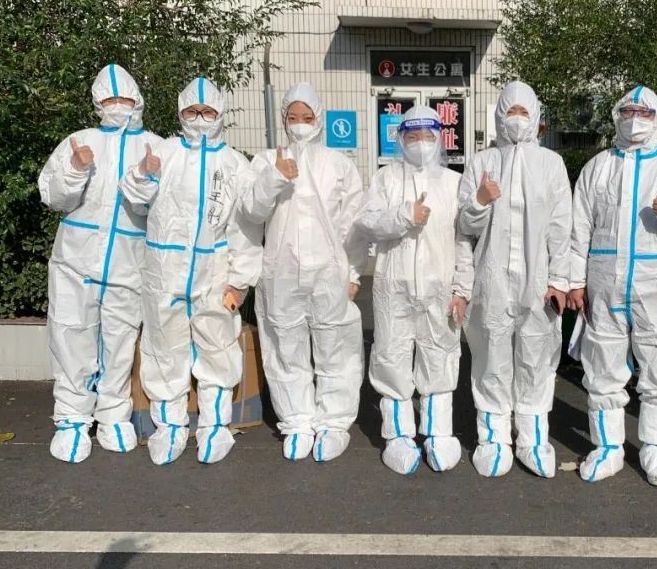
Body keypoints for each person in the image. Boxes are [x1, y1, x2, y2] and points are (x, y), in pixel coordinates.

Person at [567, 85, 657, 485]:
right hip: (604, 283)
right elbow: (578, 229)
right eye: (628, 112)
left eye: (645, 113)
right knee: (602, 366)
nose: (635, 120)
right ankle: (607, 447)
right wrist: (575, 280)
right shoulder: (598, 167)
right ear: (617, 116)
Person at [119, 76, 261, 465]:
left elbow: (247, 228)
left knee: (217, 345)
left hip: (214, 271)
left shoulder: (235, 164)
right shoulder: (162, 152)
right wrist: (144, 173)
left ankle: (215, 426)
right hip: (164, 270)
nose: (199, 118)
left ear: (220, 113)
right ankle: (169, 426)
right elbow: (134, 198)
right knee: (164, 346)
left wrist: (239, 281)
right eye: (192, 111)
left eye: (207, 111)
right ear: (181, 113)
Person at [38, 64, 163, 463]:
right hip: (76, 260)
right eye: (109, 100)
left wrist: (146, 177)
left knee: (120, 339)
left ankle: (113, 414)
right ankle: (72, 419)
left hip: (129, 262)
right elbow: (53, 197)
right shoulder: (79, 141)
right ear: (97, 103)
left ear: (137, 100)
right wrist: (76, 169)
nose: (117, 105)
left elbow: (162, 209)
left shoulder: (155, 147)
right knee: (70, 335)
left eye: (124, 98)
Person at [237, 83, 366, 463]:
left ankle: (334, 422)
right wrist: (275, 178)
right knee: (284, 346)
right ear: (283, 120)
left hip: (329, 272)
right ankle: (296, 421)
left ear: (318, 119)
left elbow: (353, 225)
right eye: (292, 117)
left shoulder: (339, 165)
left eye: (306, 117)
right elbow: (250, 211)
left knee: (335, 347)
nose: (299, 124)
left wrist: (354, 273)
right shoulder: (266, 161)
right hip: (281, 272)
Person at [456, 81, 572, 479]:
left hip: (538, 282)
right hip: (491, 280)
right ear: (498, 116)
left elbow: (562, 227)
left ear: (536, 117)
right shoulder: (481, 162)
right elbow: (464, 226)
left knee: (536, 356)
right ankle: (493, 438)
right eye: (511, 111)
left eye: (524, 112)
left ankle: (533, 438)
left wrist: (560, 280)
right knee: (491, 356)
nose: (517, 119)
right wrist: (480, 201)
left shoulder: (551, 164)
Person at [353, 105, 474, 475]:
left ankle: (438, 433)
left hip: (440, 288)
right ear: (400, 139)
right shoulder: (386, 179)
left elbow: (463, 241)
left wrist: (462, 289)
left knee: (441, 355)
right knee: (391, 356)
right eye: (412, 136)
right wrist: (405, 215)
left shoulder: (453, 182)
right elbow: (367, 222)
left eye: (427, 136)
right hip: (393, 287)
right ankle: (398, 436)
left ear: (439, 139)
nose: (420, 143)